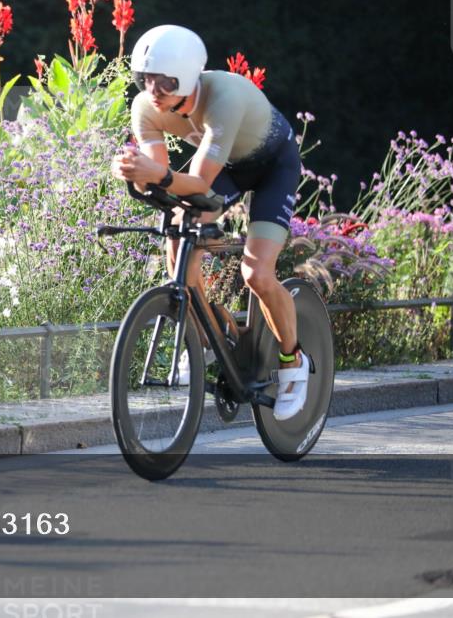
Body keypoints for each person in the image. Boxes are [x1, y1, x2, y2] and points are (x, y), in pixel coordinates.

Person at [111, 24, 308, 421]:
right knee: (178, 236)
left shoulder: (224, 97)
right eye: (146, 79)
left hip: (273, 167)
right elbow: (163, 175)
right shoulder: (146, 108)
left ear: (186, 77)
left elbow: (196, 181)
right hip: (229, 168)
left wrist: (154, 174)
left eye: (164, 82)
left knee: (256, 273)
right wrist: (136, 172)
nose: (153, 90)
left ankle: (293, 360)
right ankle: (203, 339)